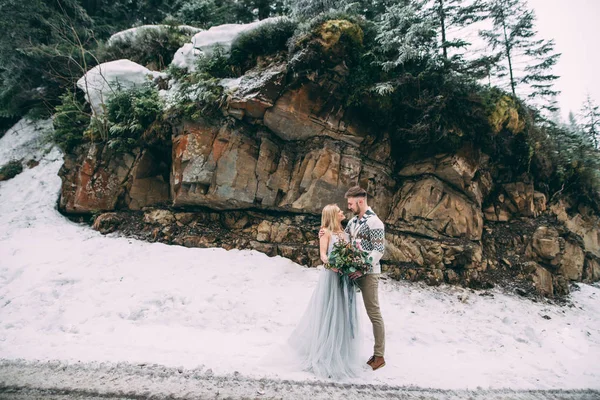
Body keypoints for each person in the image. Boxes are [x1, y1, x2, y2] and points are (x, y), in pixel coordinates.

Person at [288, 204, 361, 379]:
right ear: (333, 215)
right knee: (330, 311)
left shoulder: (346, 232)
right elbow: (323, 255)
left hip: (345, 277)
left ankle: (341, 353)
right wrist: (332, 265)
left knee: (343, 313)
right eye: (339, 211)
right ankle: (325, 353)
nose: (343, 212)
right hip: (332, 276)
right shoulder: (325, 232)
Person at [321, 186, 386, 371]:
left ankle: (379, 355)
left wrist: (363, 268)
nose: (348, 207)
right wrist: (325, 231)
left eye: (350, 203)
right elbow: (343, 240)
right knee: (342, 309)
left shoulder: (375, 223)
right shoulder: (352, 222)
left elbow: (378, 250)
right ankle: (336, 350)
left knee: (374, 313)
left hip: (368, 274)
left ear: (360, 201)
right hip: (349, 272)